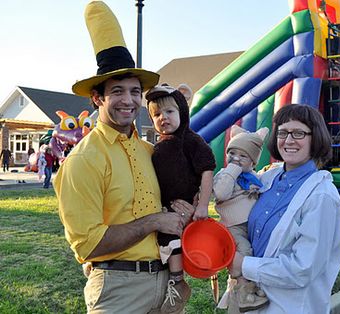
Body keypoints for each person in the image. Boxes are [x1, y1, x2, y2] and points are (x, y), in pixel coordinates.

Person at [54, 2, 194, 312]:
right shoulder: (84, 159)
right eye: (117, 91)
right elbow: (87, 244)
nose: (128, 100)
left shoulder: (149, 151)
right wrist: (154, 221)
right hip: (118, 290)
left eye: (134, 92)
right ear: (97, 97)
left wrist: (182, 208)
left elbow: (168, 202)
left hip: (165, 284)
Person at [228, 104, 340, 314]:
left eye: (299, 133)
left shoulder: (322, 197)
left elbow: (303, 268)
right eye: (283, 133)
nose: (289, 140)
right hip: (247, 299)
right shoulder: (268, 179)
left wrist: (243, 264)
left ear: (315, 138)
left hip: (289, 306)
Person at [145, 83, 216, 313]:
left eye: (169, 112)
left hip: (183, 206)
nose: (163, 118)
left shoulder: (191, 140)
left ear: (182, 112)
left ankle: (178, 283)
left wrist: (203, 204)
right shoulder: (159, 145)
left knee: (171, 240)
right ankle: (171, 281)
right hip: (164, 207)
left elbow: (207, 171)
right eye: (156, 114)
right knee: (165, 243)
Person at [213, 125, 269, 313]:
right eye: (232, 153)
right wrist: (233, 170)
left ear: (253, 162)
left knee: (253, 252)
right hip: (232, 227)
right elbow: (220, 193)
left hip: (250, 227)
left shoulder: (253, 176)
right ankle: (244, 294)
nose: (236, 158)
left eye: (243, 156)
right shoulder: (225, 175)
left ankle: (249, 287)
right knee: (243, 252)